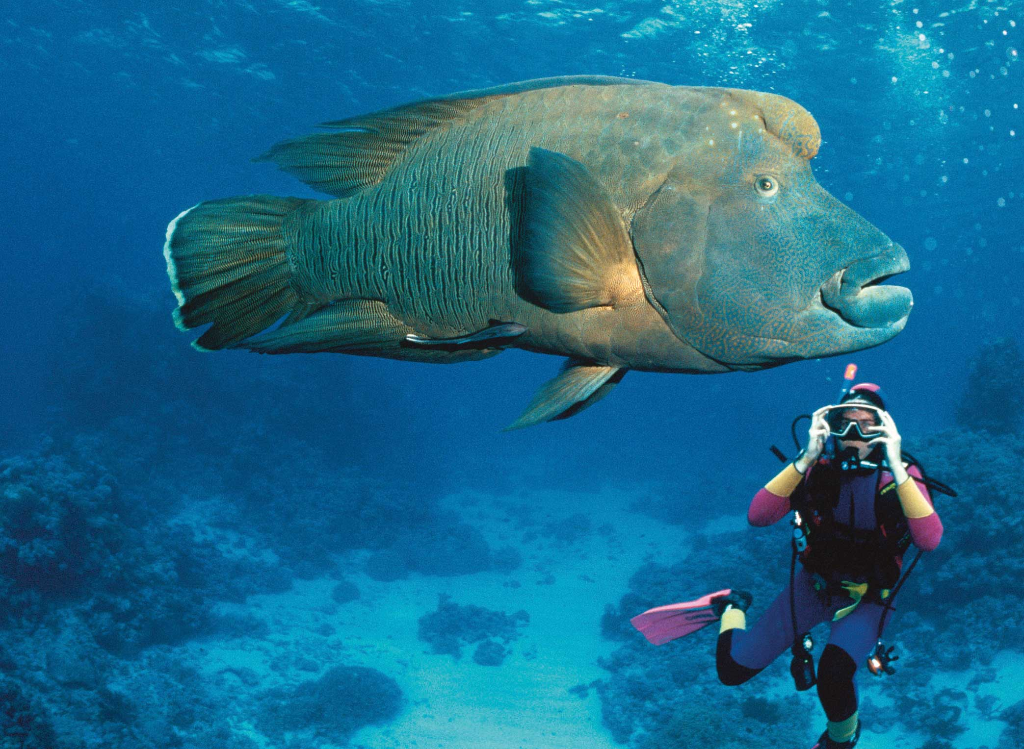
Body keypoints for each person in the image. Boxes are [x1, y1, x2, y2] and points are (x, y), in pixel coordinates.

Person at [711, 383, 943, 749]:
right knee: (732, 671)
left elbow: (929, 540)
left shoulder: (900, 478)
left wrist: (898, 466)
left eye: (868, 426)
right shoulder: (815, 470)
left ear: (885, 432)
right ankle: (733, 605)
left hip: (870, 597)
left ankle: (842, 740)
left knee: (834, 673)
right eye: (845, 424)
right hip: (814, 587)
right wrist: (805, 456)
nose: (855, 435)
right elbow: (758, 516)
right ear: (829, 428)